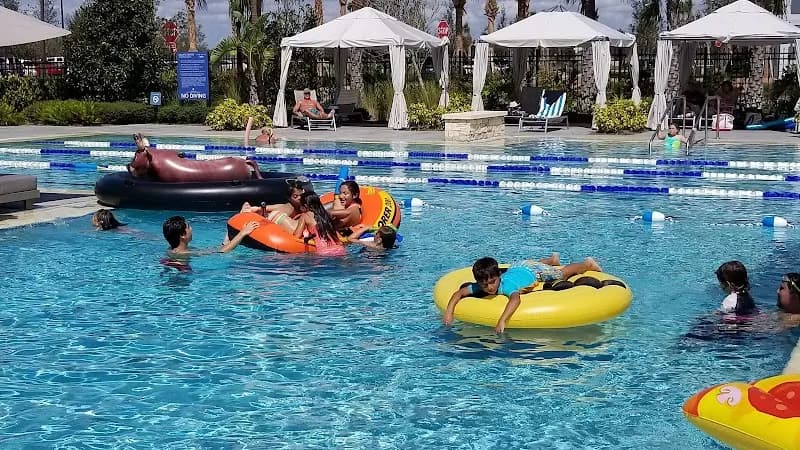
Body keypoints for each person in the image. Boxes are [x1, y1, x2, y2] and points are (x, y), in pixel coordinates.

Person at [443, 254, 603, 333]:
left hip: (534, 272)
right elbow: (459, 293)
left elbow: (515, 299)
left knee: (561, 274)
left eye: (492, 282)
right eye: (484, 285)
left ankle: (586, 263)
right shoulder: (481, 286)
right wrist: (449, 313)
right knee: (538, 265)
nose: (490, 288)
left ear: (499, 276)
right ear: (479, 282)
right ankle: (551, 259)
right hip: (518, 266)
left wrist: (502, 320)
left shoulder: (506, 285)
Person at [163, 215, 259, 255]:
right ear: (183, 235)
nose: (191, 229)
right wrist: (243, 233)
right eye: (189, 227)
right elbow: (221, 253)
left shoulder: (173, 250)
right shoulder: (183, 254)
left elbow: (213, 250)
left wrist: (225, 242)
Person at [239, 179, 306, 234]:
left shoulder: (286, 206)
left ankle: (251, 209)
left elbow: (272, 208)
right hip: (277, 219)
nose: (299, 198)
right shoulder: (290, 207)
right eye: (295, 196)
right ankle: (250, 210)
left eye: (301, 195)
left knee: (263, 209)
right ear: (289, 198)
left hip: (274, 216)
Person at [294, 192, 346, 256]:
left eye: (300, 205)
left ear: (305, 206)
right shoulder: (326, 214)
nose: (300, 208)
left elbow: (296, 236)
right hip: (339, 250)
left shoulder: (304, 216)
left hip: (324, 252)